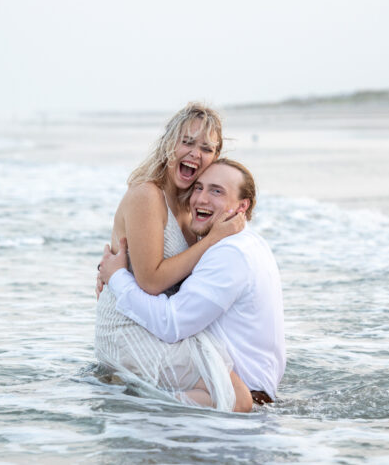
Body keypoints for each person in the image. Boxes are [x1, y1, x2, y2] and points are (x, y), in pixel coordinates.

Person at [94, 103, 251, 412]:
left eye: (206, 148)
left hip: (158, 323)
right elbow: (151, 280)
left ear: (215, 158)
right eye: (187, 142)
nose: (195, 153)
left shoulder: (190, 203)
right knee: (236, 398)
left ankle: (162, 426)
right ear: (169, 145)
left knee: (236, 386)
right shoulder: (147, 195)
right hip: (129, 328)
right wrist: (213, 240)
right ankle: (140, 407)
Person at [99, 159, 286, 404]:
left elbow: (171, 324)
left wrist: (117, 279)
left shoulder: (230, 254)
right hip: (236, 391)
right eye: (198, 188)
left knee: (138, 412)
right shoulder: (246, 243)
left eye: (216, 191)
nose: (201, 199)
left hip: (233, 399)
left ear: (242, 206)